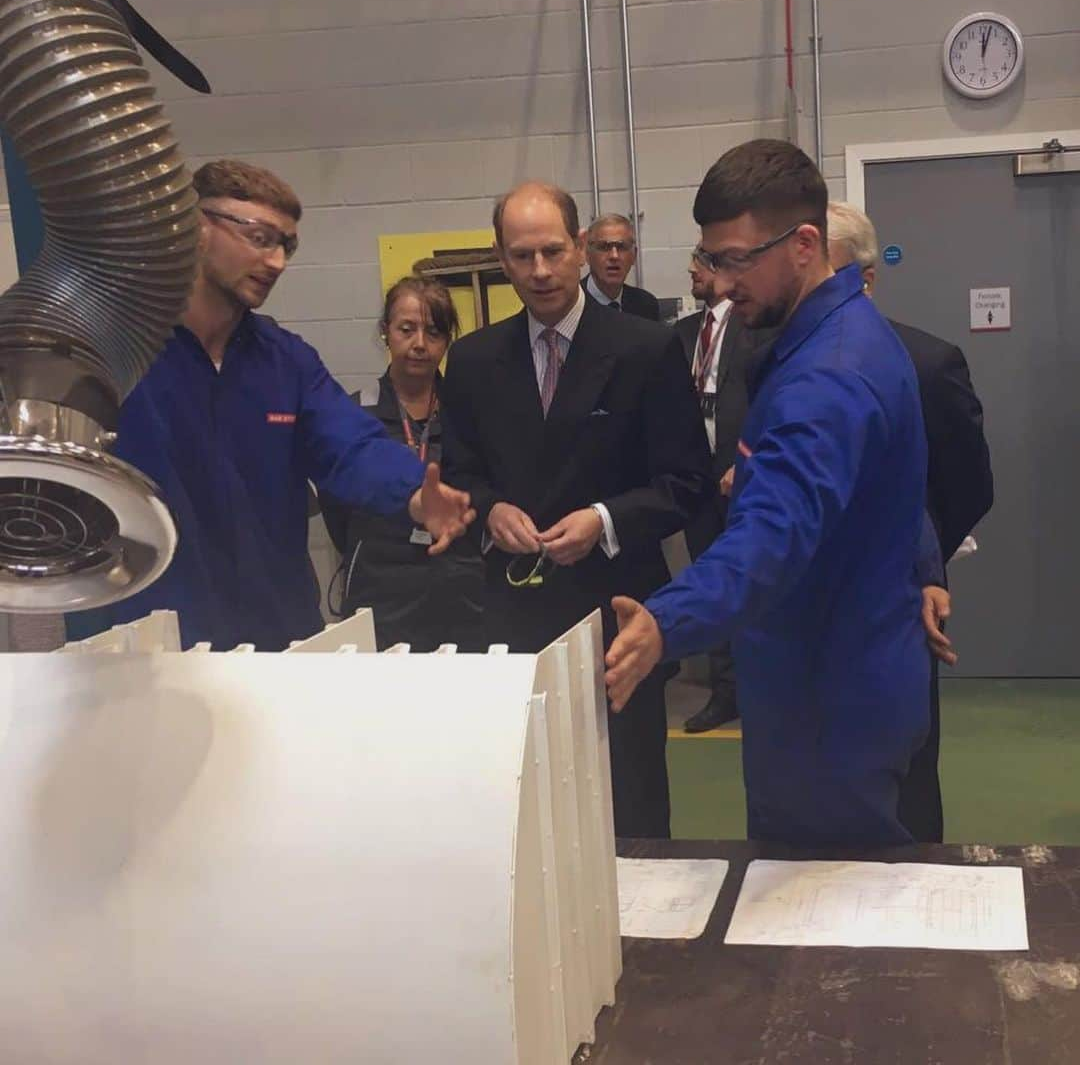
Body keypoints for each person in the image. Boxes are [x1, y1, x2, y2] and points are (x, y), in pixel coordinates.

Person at [605, 139, 930, 847]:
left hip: (825, 699)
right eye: (712, 258)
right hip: (831, 675)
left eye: (736, 259)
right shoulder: (827, 339)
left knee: (826, 913)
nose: (719, 282)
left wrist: (667, 620)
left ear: (805, 243)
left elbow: (768, 540)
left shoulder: (828, 377)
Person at [88, 160, 473, 651]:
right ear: (196, 227)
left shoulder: (286, 362)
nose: (276, 262)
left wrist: (416, 493)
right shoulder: (118, 353)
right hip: (156, 637)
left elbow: (350, 446)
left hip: (277, 636)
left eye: (286, 245)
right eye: (259, 237)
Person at [441, 181, 711, 838]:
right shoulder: (474, 362)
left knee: (631, 795)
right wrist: (489, 508)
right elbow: (459, 474)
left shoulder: (644, 349)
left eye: (553, 252)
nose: (539, 271)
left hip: (616, 615)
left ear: (581, 247)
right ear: (501, 259)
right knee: (530, 799)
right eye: (521, 256)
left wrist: (606, 519)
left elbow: (686, 481)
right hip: (513, 613)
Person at [828, 200, 994, 842]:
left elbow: (969, 484)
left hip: (900, 603)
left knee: (907, 771)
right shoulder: (777, 360)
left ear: (865, 279)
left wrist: (921, 560)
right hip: (808, 611)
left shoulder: (928, 362)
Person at [320, 277, 485, 652]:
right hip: (380, 588)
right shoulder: (356, 412)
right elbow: (337, 507)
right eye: (406, 329)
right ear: (386, 332)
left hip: (460, 588)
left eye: (434, 332)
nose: (420, 345)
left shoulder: (469, 413)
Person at [675, 254, 761, 732]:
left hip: (743, 476)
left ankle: (761, 685)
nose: (692, 271)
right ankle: (725, 690)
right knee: (711, 581)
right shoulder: (683, 335)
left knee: (752, 579)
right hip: (696, 480)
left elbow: (769, 399)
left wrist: (745, 462)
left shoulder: (754, 327)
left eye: (701, 263)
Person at [582, 213, 660, 320]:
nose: (614, 256)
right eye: (604, 247)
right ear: (587, 255)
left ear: (634, 256)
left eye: (622, 247)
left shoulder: (646, 305)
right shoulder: (570, 304)